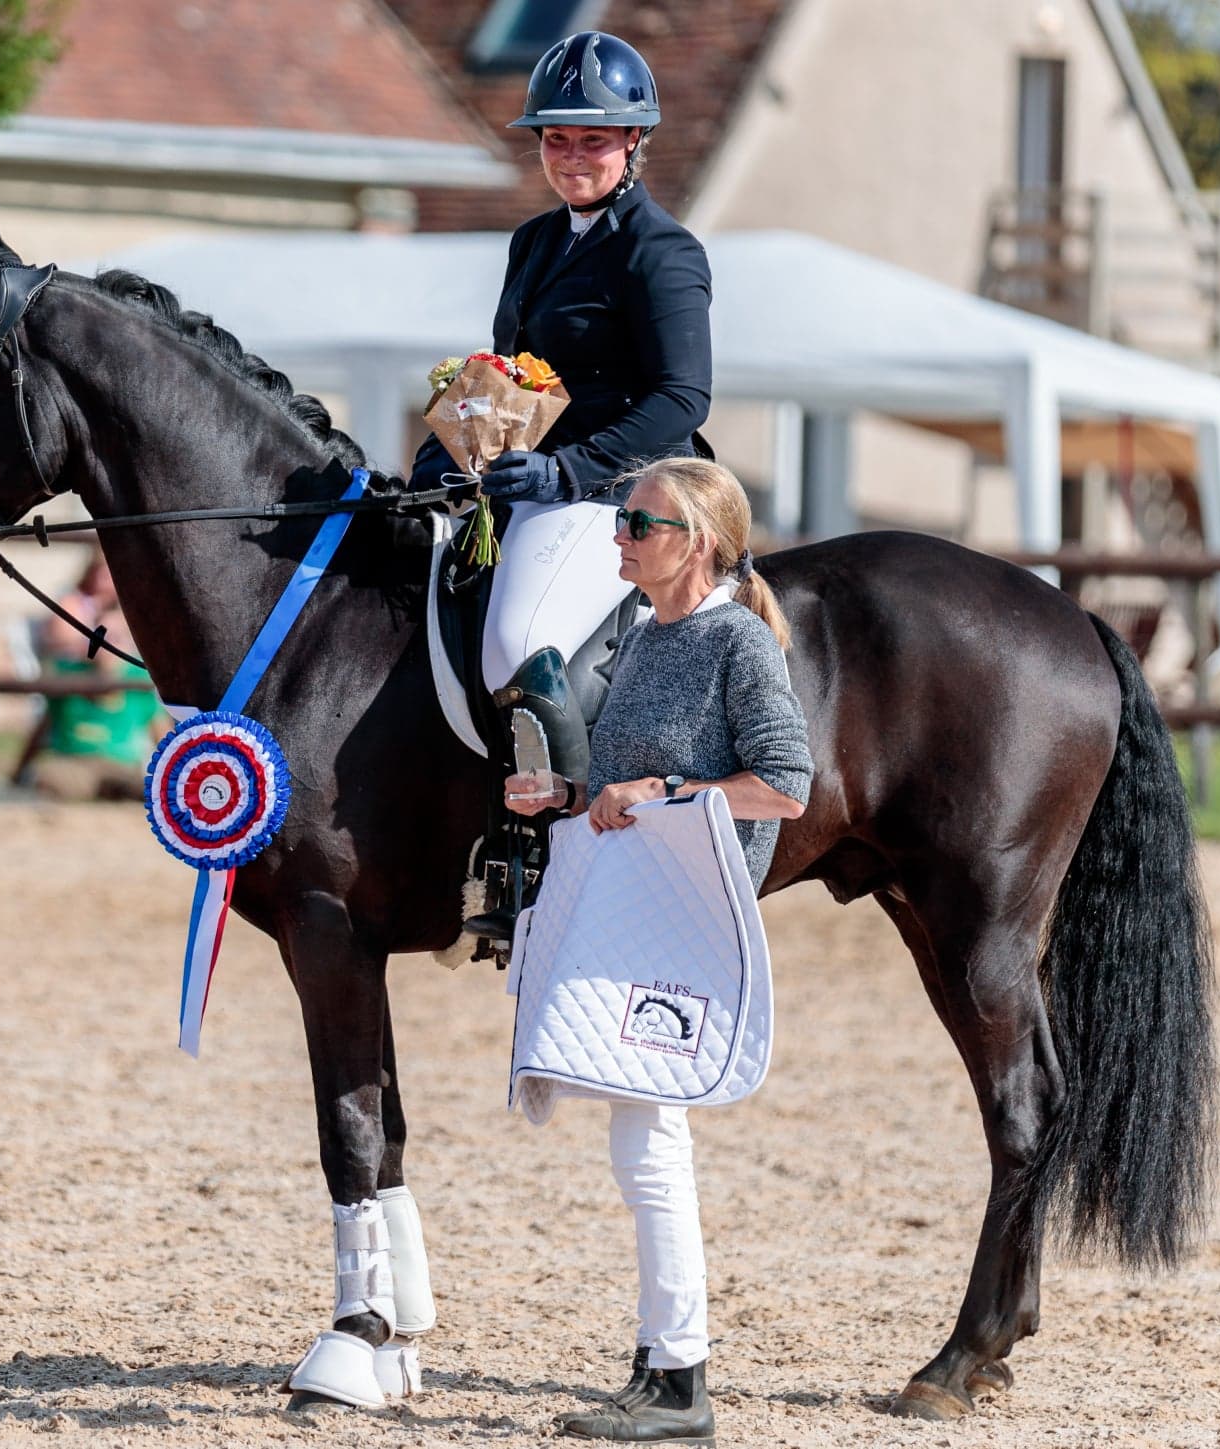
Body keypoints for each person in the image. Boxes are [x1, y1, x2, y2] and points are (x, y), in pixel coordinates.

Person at [506, 458, 814, 1443]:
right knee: (642, 1144)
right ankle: (665, 1367)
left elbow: (787, 786)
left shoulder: (735, 644)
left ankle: (680, 1380)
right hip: (632, 898)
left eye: (641, 524)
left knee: (650, 1143)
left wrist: (663, 796)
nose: (620, 538)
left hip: (690, 912)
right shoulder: (644, 638)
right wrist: (561, 795)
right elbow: (615, 784)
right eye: (624, 522)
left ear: (700, 542)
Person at [406, 30, 711, 933]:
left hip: (631, 489)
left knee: (520, 636)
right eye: (556, 138)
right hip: (534, 483)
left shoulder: (663, 251)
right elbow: (512, 375)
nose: (572, 156)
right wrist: (443, 455)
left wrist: (572, 466)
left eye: (593, 139)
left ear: (633, 143)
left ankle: (554, 854)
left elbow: (681, 396)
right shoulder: (535, 242)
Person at [9, 552, 165, 801]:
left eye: (115, 640)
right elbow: (43, 727)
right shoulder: (68, 673)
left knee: (146, 789)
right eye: (101, 639)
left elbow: (160, 733)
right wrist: (17, 772)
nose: (107, 648)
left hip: (122, 766)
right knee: (54, 780)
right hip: (74, 765)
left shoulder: (139, 678)